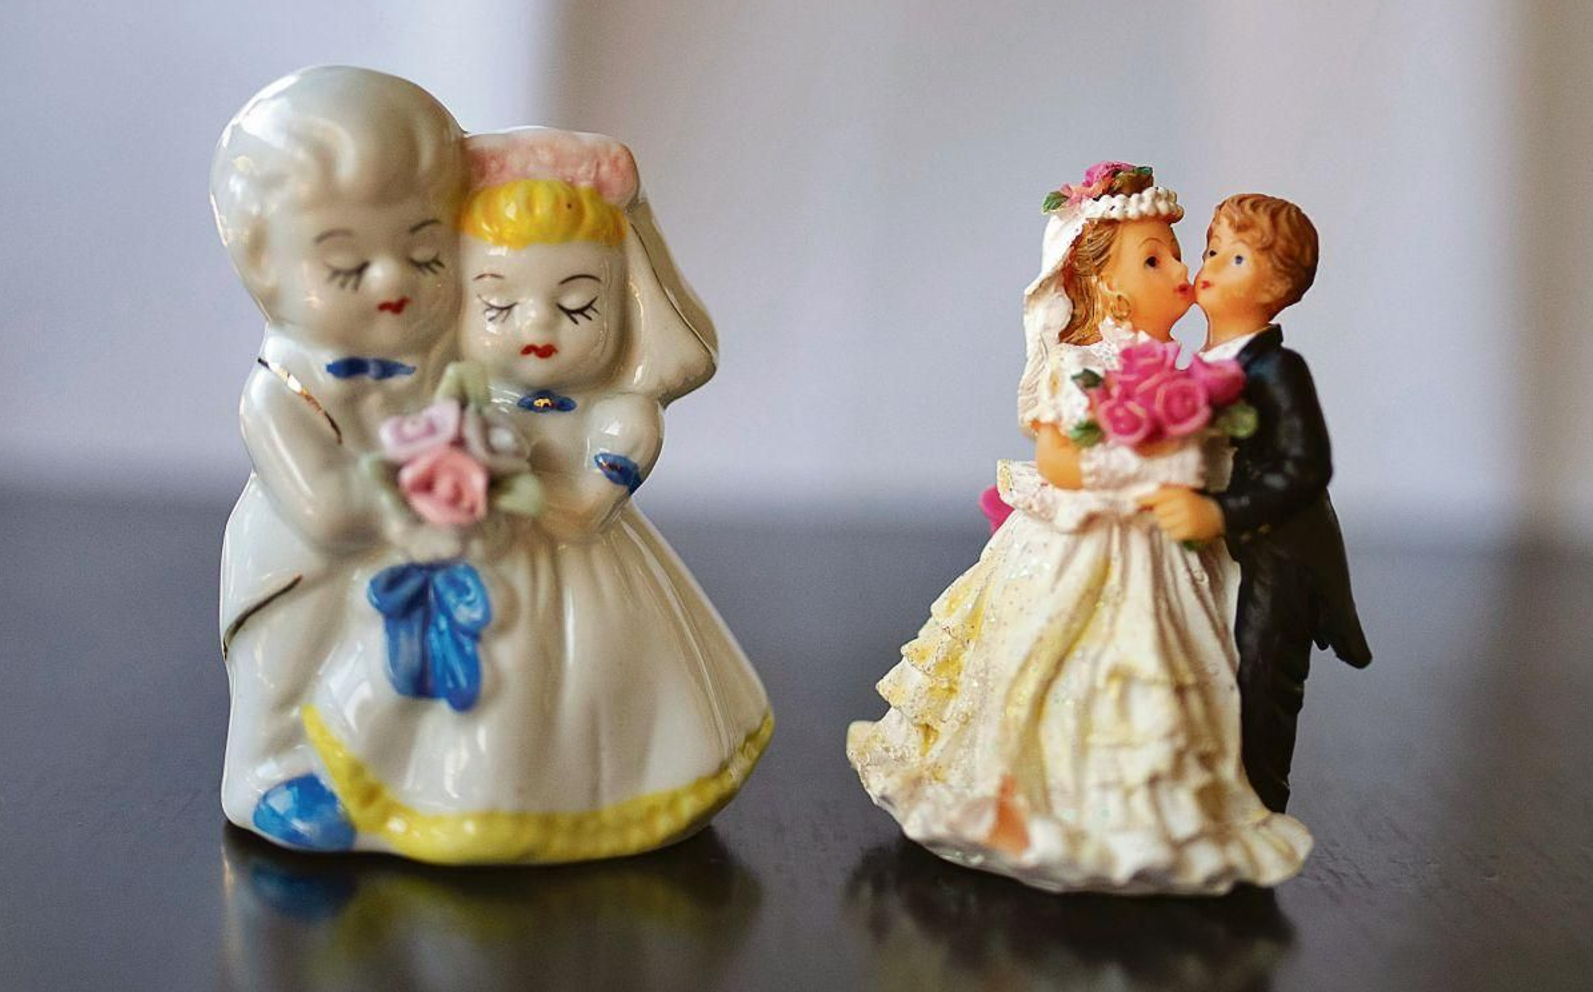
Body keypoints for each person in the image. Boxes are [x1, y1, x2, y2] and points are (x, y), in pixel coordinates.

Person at [303, 127, 773, 864]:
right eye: (499, 307)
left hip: (573, 579)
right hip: (468, 555)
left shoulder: (620, 416)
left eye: (578, 306)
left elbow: (582, 511)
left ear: (622, 306)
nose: (538, 328)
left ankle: (540, 808)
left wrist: (500, 490)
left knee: (553, 696)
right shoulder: (462, 391)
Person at [848, 163, 1311, 894]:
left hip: (1161, 552)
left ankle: (1150, 809)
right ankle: (1040, 801)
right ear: (1105, 285)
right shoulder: (1077, 365)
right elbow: (1060, 461)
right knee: (1054, 659)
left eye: (1177, 252)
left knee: (1166, 674)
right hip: (1086, 540)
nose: (1183, 271)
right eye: (1155, 258)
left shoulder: (1180, 368)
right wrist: (1144, 475)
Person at [211, 66, 467, 850]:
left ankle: (399, 775)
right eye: (346, 266)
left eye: (424, 254)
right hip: (296, 569)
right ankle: (263, 775)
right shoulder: (279, 391)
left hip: (417, 548)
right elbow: (330, 512)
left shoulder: (439, 357)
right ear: (265, 268)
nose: (391, 281)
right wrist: (434, 466)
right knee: (284, 677)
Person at [1140, 194, 1370, 812]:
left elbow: (1306, 467)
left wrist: (1219, 513)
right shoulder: (1191, 367)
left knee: (1257, 682)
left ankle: (1258, 813)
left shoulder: (1278, 372)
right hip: (1210, 555)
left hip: (1274, 557)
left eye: (1236, 256)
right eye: (1212, 249)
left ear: (1279, 284)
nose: (1210, 263)